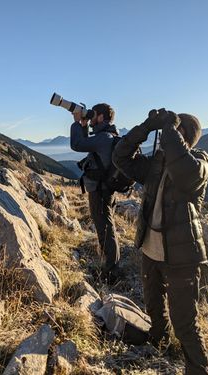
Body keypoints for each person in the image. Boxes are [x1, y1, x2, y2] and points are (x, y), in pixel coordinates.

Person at [112, 109, 208, 375]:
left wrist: (169, 129)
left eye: (175, 133)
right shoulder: (157, 162)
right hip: (151, 248)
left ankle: (198, 369)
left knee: (185, 323)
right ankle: (158, 339)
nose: (166, 140)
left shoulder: (200, 162)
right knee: (154, 304)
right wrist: (147, 126)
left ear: (185, 137)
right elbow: (120, 156)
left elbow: (186, 173)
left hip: (182, 256)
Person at [70, 103, 121, 283]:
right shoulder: (109, 135)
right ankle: (109, 264)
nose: (91, 118)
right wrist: (84, 127)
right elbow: (86, 145)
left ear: (100, 117)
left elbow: (76, 145)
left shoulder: (103, 138)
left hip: (100, 190)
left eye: (93, 115)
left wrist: (77, 123)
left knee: (105, 228)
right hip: (106, 189)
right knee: (107, 226)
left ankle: (110, 272)